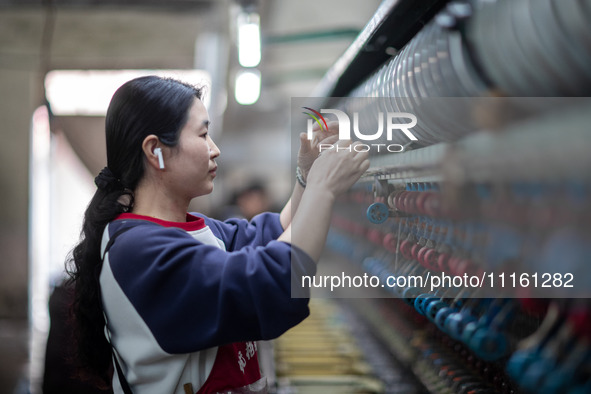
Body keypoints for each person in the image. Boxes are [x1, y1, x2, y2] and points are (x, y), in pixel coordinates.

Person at [66, 75, 369, 394]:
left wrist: (306, 178)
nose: (215, 150)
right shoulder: (138, 252)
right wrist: (323, 189)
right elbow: (272, 282)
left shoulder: (193, 230)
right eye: (203, 134)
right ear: (155, 150)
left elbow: (274, 237)